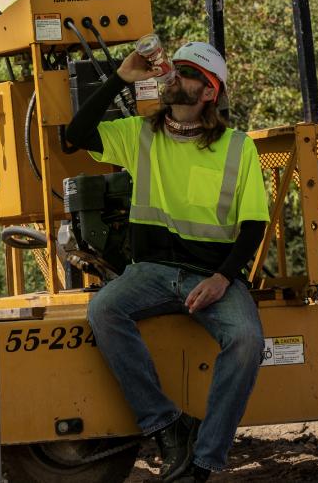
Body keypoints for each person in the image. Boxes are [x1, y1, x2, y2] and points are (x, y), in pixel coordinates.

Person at [66, 41, 270, 482]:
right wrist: (120, 77)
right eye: (175, 69)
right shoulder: (140, 134)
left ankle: (204, 461)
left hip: (213, 277)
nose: (177, 76)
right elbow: (75, 136)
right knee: (103, 308)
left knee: (248, 341)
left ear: (210, 92)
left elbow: (254, 225)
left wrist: (222, 279)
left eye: (190, 73)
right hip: (152, 273)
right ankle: (167, 426)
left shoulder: (238, 148)